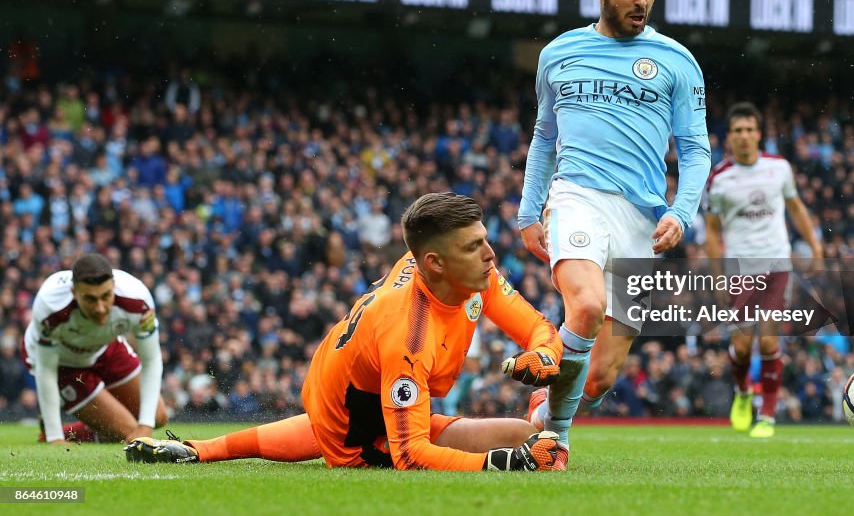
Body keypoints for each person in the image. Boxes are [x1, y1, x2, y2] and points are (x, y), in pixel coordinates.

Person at [127, 193, 563, 472]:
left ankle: (198, 450)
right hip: (357, 433)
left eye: (484, 241)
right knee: (524, 443)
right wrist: (500, 464)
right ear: (434, 263)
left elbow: (538, 327)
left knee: (530, 438)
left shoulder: (465, 275)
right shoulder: (409, 335)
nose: (491, 255)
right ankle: (202, 449)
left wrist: (543, 355)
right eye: (474, 247)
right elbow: (410, 455)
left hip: (343, 398)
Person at [518, 0, 712, 466]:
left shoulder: (676, 61)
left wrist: (681, 211)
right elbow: (544, 137)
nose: (642, 1)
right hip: (575, 196)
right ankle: (553, 440)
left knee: (600, 377)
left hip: (641, 220)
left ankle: (542, 411)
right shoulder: (560, 53)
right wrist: (528, 210)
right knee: (584, 305)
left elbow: (696, 151)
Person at [704, 102, 823, 437]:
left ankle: (768, 415)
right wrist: (716, 276)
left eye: (750, 130)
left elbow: (796, 208)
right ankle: (743, 393)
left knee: (768, 343)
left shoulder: (779, 168)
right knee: (742, 347)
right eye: (738, 130)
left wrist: (815, 245)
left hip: (775, 263)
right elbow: (713, 231)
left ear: (759, 134)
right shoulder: (719, 179)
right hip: (740, 268)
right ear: (730, 137)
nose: (744, 136)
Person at [22, 253, 167, 443]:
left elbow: (151, 361)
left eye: (106, 296)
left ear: (114, 286)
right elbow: (46, 369)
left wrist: (146, 427)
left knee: (156, 417)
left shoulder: (138, 299)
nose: (100, 308)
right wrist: (54, 437)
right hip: (62, 364)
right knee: (130, 431)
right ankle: (57, 433)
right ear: (74, 292)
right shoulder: (50, 305)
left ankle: (75, 431)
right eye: (90, 299)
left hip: (104, 347)